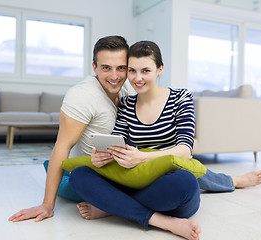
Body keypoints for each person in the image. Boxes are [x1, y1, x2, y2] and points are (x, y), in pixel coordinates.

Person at [9, 35, 261, 224]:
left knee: (181, 175)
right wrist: (48, 204)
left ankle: (113, 208)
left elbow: (178, 151)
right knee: (80, 176)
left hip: (145, 172)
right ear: (94, 67)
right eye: (109, 68)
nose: (122, 76)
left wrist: (145, 155)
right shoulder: (103, 98)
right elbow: (72, 147)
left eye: (124, 68)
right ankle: (155, 218)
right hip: (116, 175)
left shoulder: (154, 91)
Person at [70, 40, 201, 240]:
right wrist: (101, 157)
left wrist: (141, 157)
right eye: (132, 71)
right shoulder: (127, 103)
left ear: (160, 69)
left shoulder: (181, 98)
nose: (137, 78)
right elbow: (116, 143)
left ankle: (113, 207)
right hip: (136, 180)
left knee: (186, 183)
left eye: (145, 71)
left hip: (168, 185)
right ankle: (161, 221)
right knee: (79, 175)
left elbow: (185, 150)